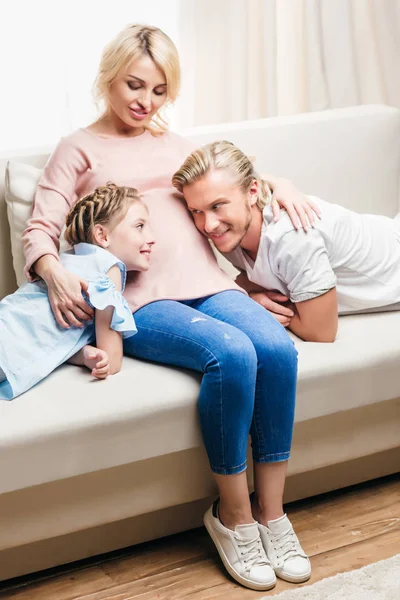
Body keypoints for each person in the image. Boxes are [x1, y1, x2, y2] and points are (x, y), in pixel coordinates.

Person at [21, 24, 317, 590]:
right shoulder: (77, 149)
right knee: (231, 354)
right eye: (134, 85)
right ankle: (232, 517)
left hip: (210, 284)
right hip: (139, 301)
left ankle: (272, 513)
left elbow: (234, 175)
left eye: (159, 91)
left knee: (277, 349)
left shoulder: (177, 146)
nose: (145, 102)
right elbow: (41, 226)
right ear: (109, 76)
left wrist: (279, 182)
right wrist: (54, 270)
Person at [172, 140, 400, 343]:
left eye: (217, 205)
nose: (208, 224)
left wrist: (256, 306)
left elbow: (321, 333)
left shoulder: (291, 239)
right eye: (196, 211)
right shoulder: (229, 232)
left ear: (253, 191)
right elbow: (252, 279)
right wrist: (249, 294)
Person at [0, 183, 154, 400]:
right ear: (102, 235)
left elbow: (53, 337)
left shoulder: (67, 259)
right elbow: (112, 360)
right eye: (139, 226)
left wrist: (83, 355)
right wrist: (99, 358)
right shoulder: (108, 268)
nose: (152, 237)